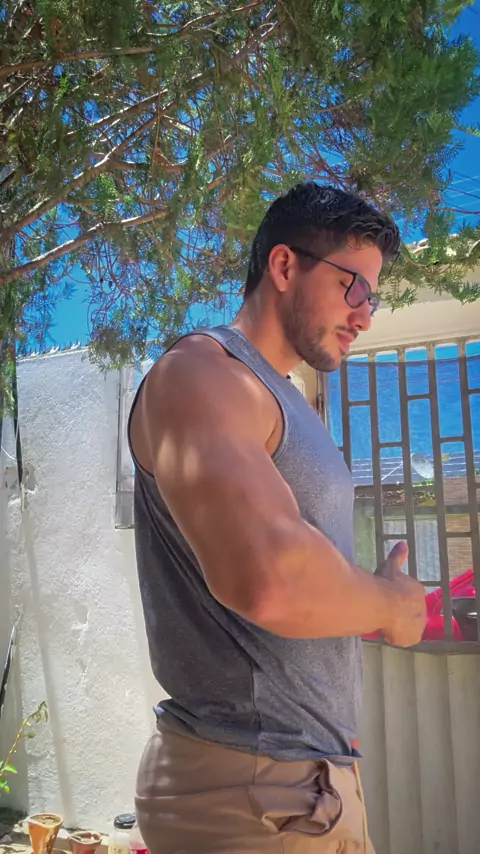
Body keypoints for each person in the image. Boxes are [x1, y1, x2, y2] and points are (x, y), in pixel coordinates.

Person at [129, 183, 426, 854]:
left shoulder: (280, 398)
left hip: (298, 788)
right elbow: (271, 581)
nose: (365, 316)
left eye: (373, 298)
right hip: (255, 796)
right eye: (354, 287)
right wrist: (392, 606)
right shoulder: (200, 374)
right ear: (285, 266)